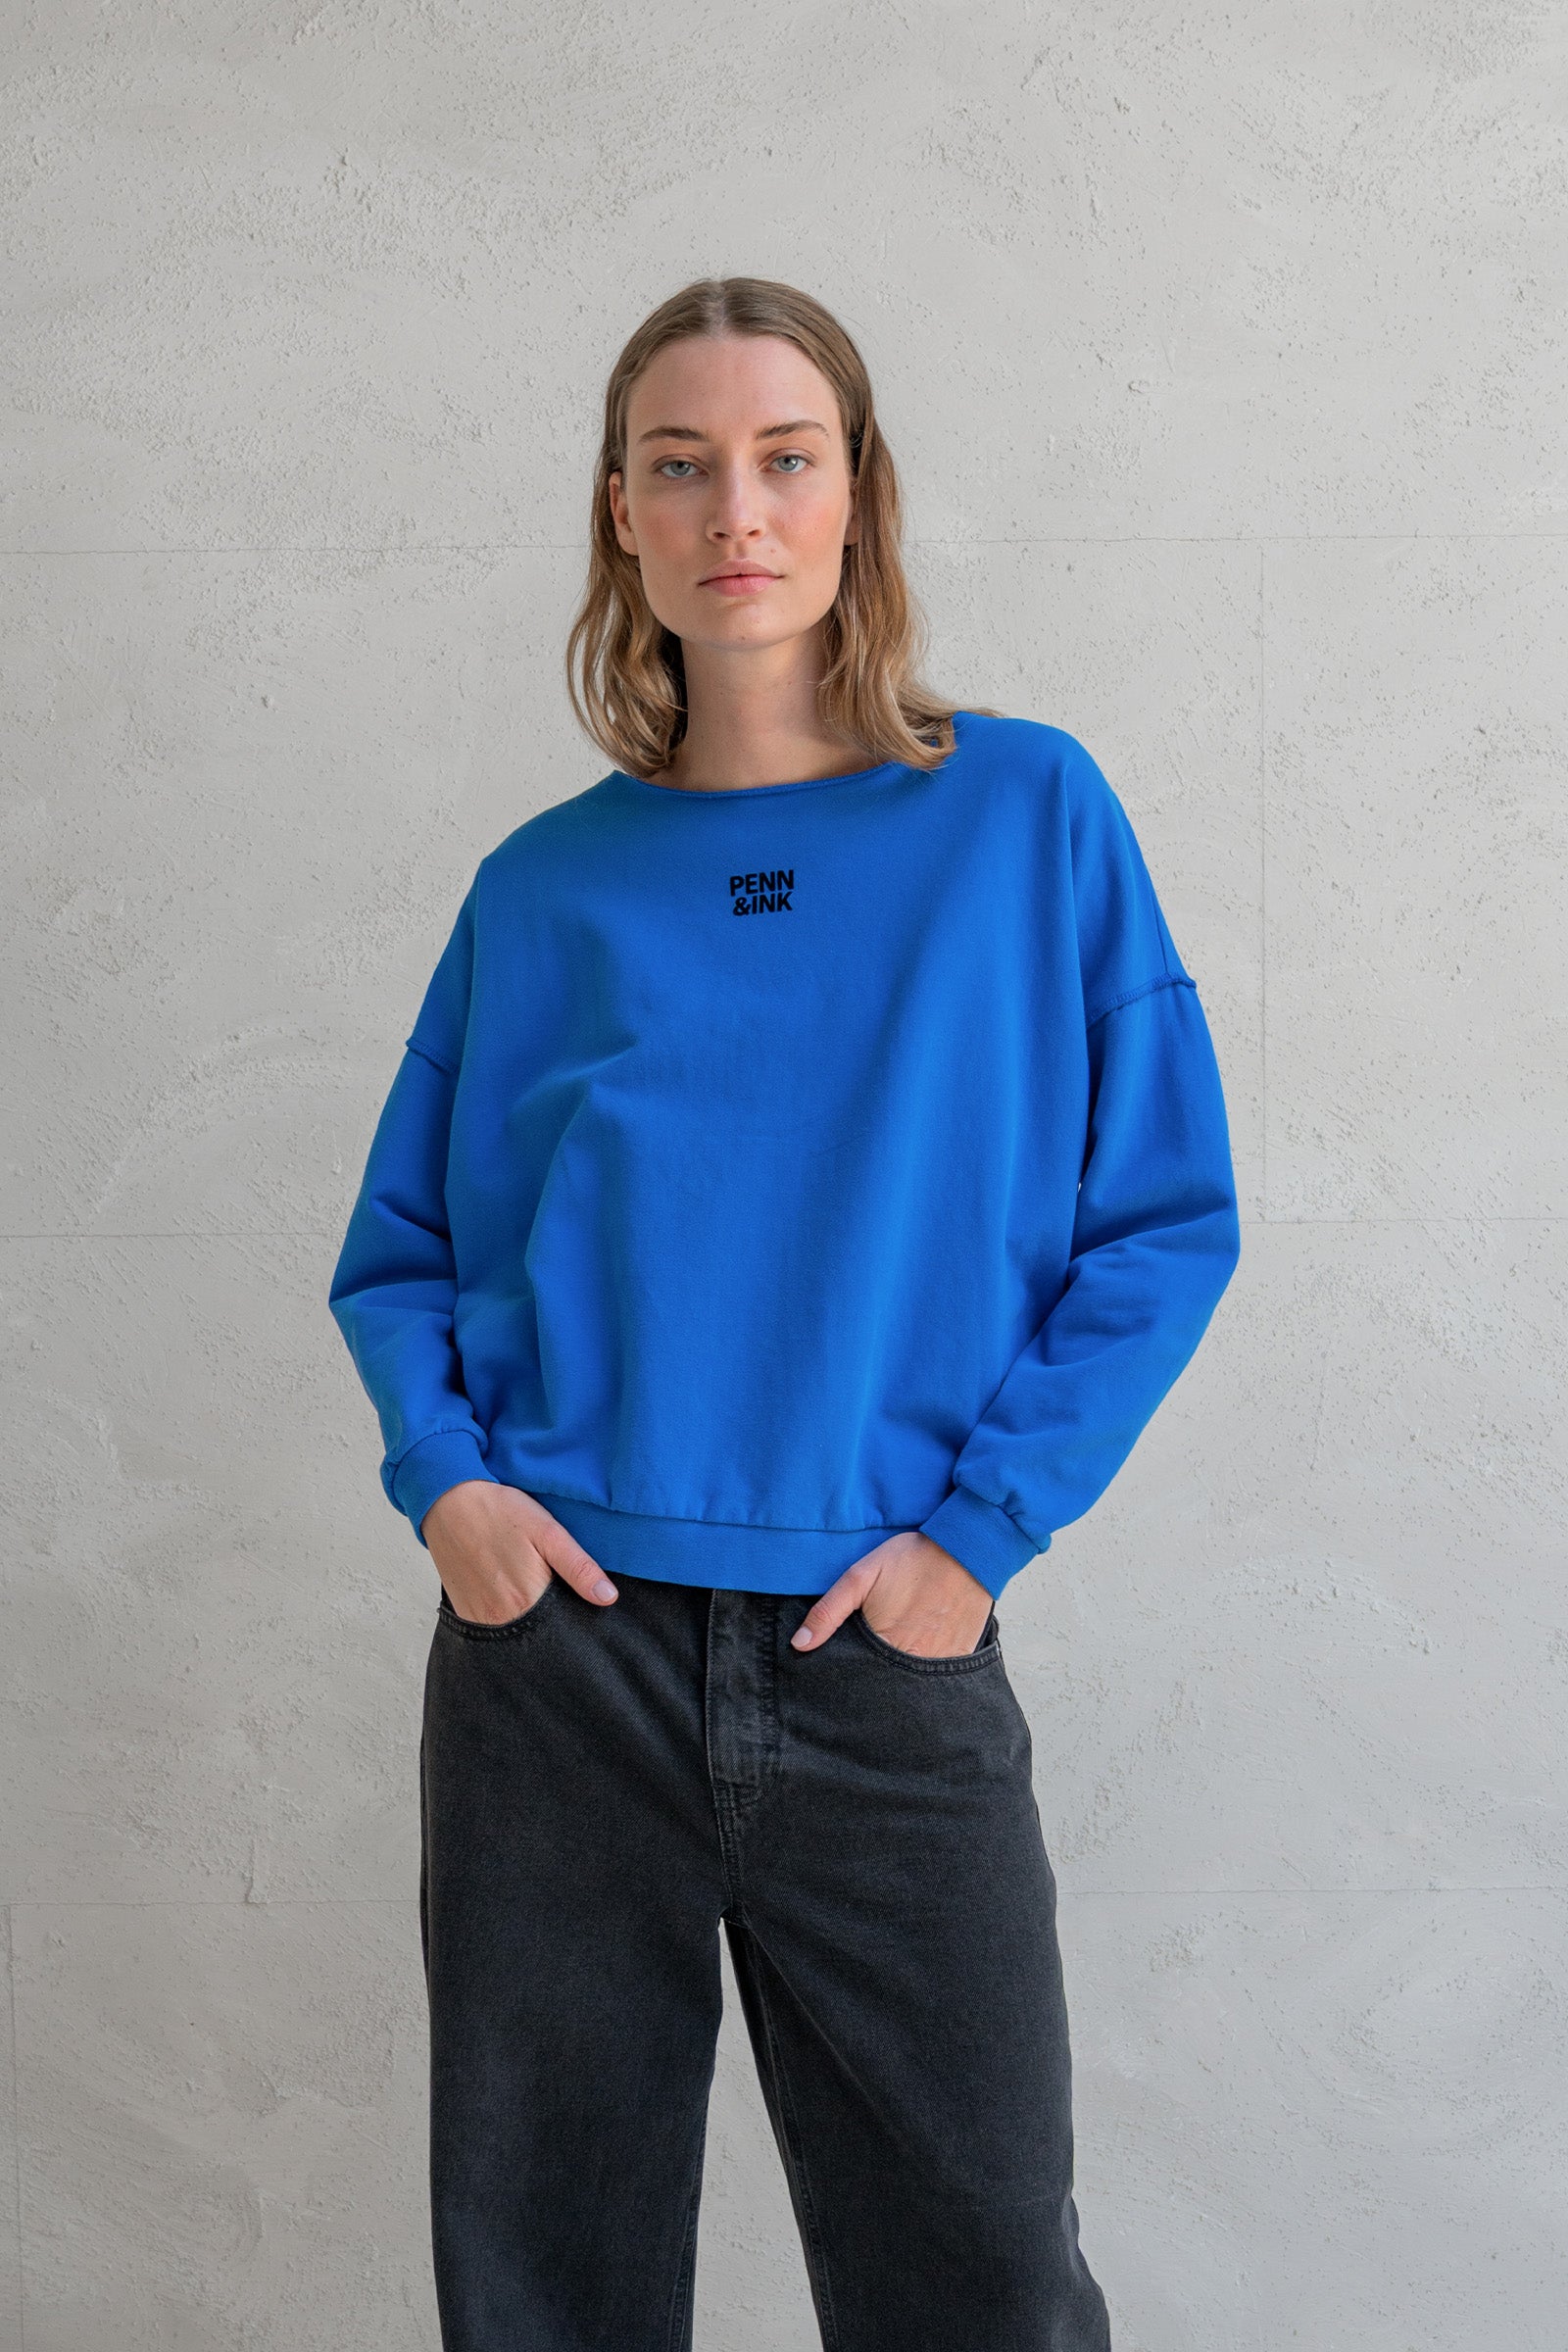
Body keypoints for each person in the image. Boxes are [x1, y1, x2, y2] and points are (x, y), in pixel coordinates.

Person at [328, 274, 1241, 2352]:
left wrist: (974, 1540)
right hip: (559, 1667)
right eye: (679, 465)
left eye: (782, 457)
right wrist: (451, 1492)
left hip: (885, 1654)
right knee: (547, 2297)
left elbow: (1162, 1222)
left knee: (985, 2287)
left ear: (855, 496)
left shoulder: (1026, 817)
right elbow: (398, 1250)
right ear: (622, 517)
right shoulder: (543, 889)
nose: (733, 509)